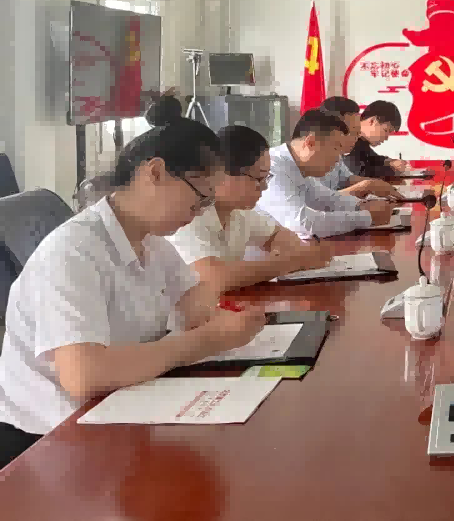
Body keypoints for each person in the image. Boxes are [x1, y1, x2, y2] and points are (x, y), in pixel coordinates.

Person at [0, 120, 266, 469]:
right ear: (155, 172)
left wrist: (228, 319)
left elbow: (194, 308)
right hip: (51, 440)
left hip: (120, 406)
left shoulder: (152, 241)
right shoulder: (72, 251)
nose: (200, 211)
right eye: (200, 198)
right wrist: (206, 340)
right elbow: (85, 376)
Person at [169, 125, 336, 290]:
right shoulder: (189, 215)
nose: (264, 186)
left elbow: (281, 236)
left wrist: (288, 257)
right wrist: (286, 263)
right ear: (223, 174)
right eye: (258, 178)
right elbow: (213, 277)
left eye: (267, 178)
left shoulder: (239, 213)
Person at [256, 109, 395, 238]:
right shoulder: (271, 166)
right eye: (335, 148)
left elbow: (327, 199)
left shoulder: (298, 167)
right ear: (310, 142)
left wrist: (360, 205)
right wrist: (367, 217)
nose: (338, 159)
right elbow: (303, 222)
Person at [319, 97, 401, 199]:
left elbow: (347, 178)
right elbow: (321, 202)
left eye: (358, 131)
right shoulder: (311, 161)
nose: (358, 136)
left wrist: (373, 184)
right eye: (353, 131)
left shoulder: (336, 156)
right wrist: (367, 186)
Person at [344, 101, 409, 179]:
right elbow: (359, 172)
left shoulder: (362, 142)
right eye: (386, 130)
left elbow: (372, 158)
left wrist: (388, 162)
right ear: (372, 121)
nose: (386, 138)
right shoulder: (351, 137)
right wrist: (392, 168)